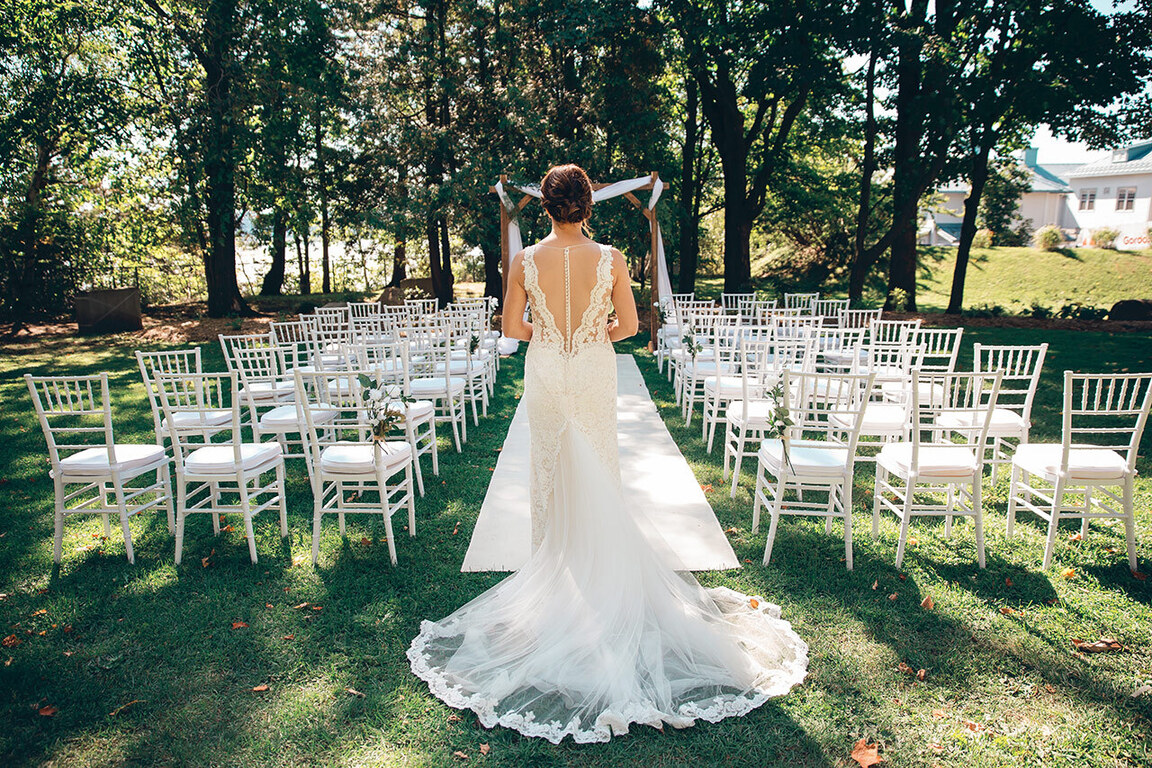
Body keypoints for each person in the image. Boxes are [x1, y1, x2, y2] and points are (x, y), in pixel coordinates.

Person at [407, 164, 808, 744]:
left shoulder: (523, 261)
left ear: (545, 207)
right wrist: (590, 327)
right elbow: (628, 327)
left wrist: (553, 330)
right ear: (588, 204)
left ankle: (554, 594)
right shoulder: (613, 258)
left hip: (547, 369)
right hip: (593, 369)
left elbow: (514, 329)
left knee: (551, 473)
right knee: (597, 469)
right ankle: (597, 590)